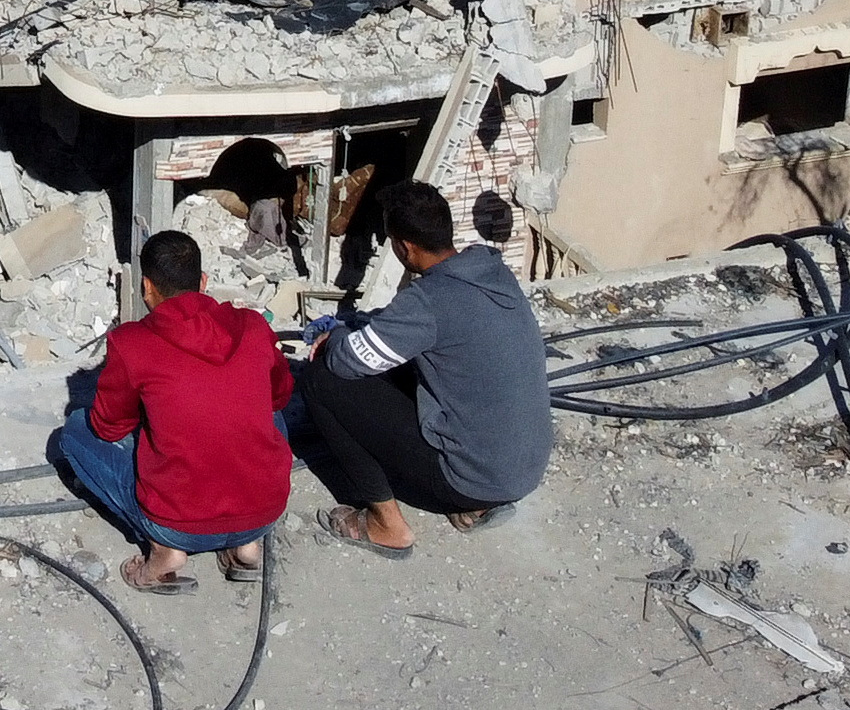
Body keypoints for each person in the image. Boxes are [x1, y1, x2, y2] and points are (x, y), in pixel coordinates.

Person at [298, 179, 553, 556]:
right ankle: (475, 505)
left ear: (404, 246)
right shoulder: (491, 271)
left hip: (471, 477)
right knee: (410, 364)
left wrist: (334, 336)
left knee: (323, 379)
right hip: (523, 467)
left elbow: (346, 362)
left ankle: (387, 525)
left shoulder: (427, 301)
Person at [49, 230, 293, 593]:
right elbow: (281, 394)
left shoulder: (132, 343)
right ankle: (245, 546)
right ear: (203, 282)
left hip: (177, 525)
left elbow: (108, 427)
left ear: (146, 287)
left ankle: (165, 552)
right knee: (267, 412)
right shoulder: (254, 327)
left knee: (73, 431)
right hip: (264, 512)